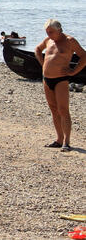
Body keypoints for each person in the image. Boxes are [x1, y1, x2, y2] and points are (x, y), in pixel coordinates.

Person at [35, 19, 86, 152]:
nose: (49, 34)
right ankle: (58, 139)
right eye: (47, 32)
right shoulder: (48, 40)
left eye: (51, 32)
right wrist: (43, 65)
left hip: (61, 79)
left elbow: (84, 56)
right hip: (47, 79)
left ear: (59, 30)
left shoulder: (70, 41)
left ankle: (66, 142)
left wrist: (74, 71)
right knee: (53, 109)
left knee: (63, 110)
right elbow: (38, 49)